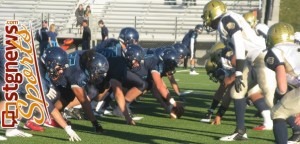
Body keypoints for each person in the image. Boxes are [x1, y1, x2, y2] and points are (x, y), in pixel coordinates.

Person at [202, 0, 277, 141]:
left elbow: (239, 44)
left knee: (270, 98)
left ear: (213, 13)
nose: (207, 20)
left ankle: (297, 130)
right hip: (251, 59)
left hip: (261, 57)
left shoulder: (226, 19)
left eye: (207, 16)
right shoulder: (225, 20)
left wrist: (238, 72)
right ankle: (240, 131)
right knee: (237, 92)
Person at [264, 22, 300, 144]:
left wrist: (279, 94)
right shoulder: (296, 47)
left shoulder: (276, 50)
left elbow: (283, 87)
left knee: (277, 112)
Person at [125, 46, 185, 118]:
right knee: (144, 85)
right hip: (129, 70)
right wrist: (173, 102)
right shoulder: (156, 63)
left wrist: (169, 106)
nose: (173, 67)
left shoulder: (161, 63)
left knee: (149, 85)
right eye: (173, 65)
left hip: (139, 70)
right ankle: (122, 104)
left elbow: (162, 86)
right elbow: (159, 86)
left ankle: (123, 101)